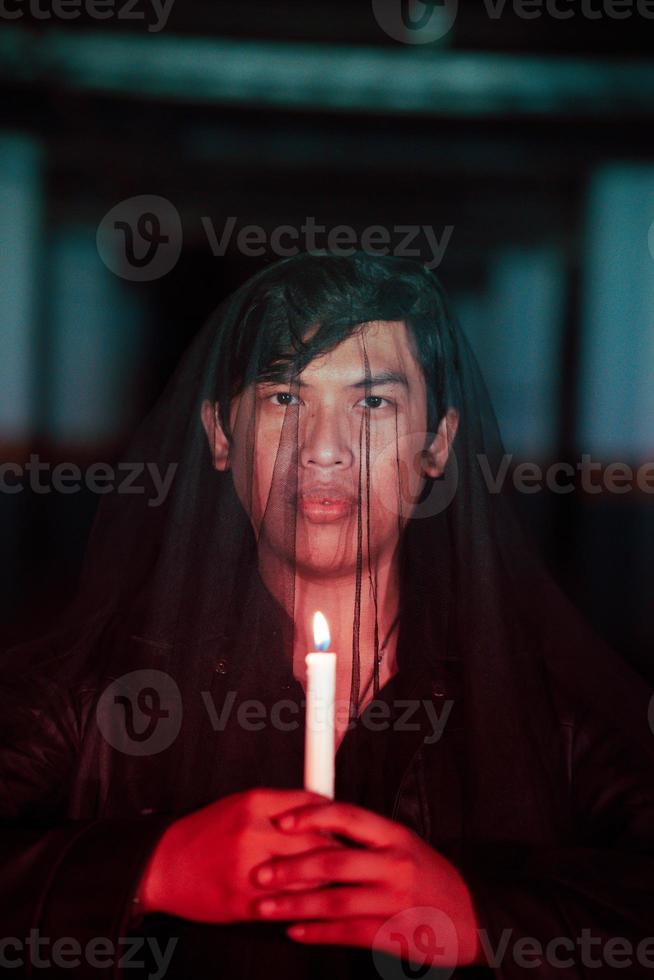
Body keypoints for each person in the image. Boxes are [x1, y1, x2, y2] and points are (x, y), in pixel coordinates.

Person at [1, 252, 653, 979]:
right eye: (285, 398)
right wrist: (153, 870)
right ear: (221, 434)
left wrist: (482, 919)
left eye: (372, 404)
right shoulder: (99, 687)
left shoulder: (548, 708)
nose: (324, 452)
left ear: (437, 442)